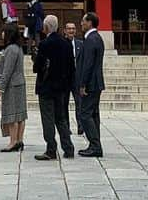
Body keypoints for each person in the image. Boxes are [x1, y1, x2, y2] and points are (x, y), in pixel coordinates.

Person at [32, 14, 75, 160]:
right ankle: (68, 148)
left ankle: (51, 148)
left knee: (48, 119)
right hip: (62, 87)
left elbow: (38, 67)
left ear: (46, 27)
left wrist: (35, 58)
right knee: (61, 118)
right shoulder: (66, 43)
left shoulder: (44, 44)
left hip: (47, 86)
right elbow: (71, 67)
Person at [76, 10, 105, 158]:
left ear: (89, 23)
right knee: (93, 114)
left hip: (91, 84)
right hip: (96, 82)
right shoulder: (96, 38)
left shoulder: (91, 39)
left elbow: (87, 64)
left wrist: (82, 84)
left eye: (83, 21)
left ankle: (95, 145)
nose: (81, 23)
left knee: (85, 114)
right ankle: (95, 144)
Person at [0, 23, 27, 152]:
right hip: (18, 83)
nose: (2, 34)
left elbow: (7, 71)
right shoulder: (17, 48)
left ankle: (13, 141)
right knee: (20, 114)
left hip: (12, 85)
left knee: (13, 114)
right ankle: (19, 140)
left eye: (4, 31)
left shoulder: (11, 49)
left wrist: (0, 88)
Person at [64, 20, 84, 135]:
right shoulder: (62, 43)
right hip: (66, 78)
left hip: (77, 78)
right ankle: (66, 127)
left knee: (79, 103)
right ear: (65, 31)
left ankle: (80, 126)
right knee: (64, 103)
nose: (71, 30)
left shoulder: (81, 44)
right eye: (69, 28)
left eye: (73, 29)